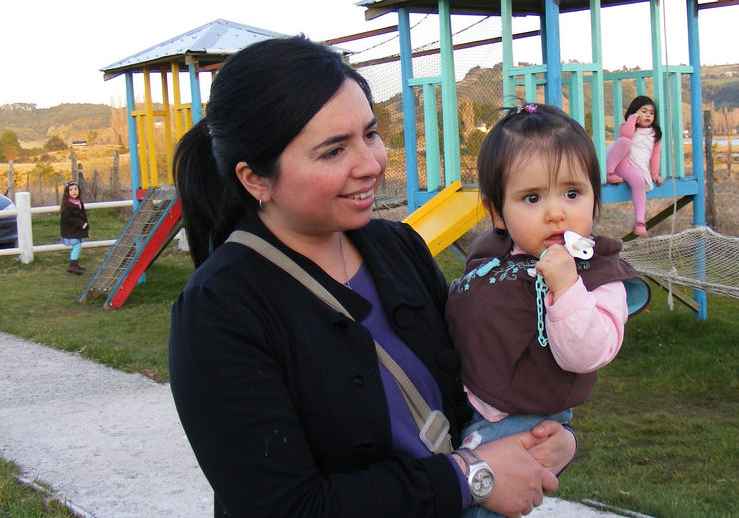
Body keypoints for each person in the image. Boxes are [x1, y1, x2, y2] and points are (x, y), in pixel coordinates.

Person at [167, 36, 576, 518]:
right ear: (256, 178)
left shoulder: (398, 247)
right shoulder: (219, 310)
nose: (371, 164)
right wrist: (470, 477)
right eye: (333, 151)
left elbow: (478, 386)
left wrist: (547, 438)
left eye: (370, 133)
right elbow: (284, 506)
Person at [446, 103, 651, 518]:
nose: (556, 211)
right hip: (466, 401)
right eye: (533, 197)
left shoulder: (599, 274)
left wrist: (566, 286)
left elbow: (588, 352)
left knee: (484, 509)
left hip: (520, 421)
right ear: (496, 212)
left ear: (595, 196)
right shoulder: (491, 255)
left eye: (573, 193)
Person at [604, 95, 665, 237]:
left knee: (638, 179)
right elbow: (626, 135)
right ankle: (609, 173)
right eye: (643, 111)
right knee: (624, 141)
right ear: (635, 112)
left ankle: (639, 221)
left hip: (635, 168)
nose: (648, 115)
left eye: (651, 113)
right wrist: (633, 118)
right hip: (621, 163)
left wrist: (655, 173)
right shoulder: (628, 127)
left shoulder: (654, 134)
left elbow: (655, 155)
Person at [59, 180, 88, 275]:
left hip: (76, 230)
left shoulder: (78, 202)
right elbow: (68, 219)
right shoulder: (67, 205)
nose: (74, 191)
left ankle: (75, 264)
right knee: (77, 246)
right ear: (67, 192)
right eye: (71, 190)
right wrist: (80, 223)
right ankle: (72, 265)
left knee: (78, 246)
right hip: (70, 230)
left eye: (75, 189)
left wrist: (85, 224)